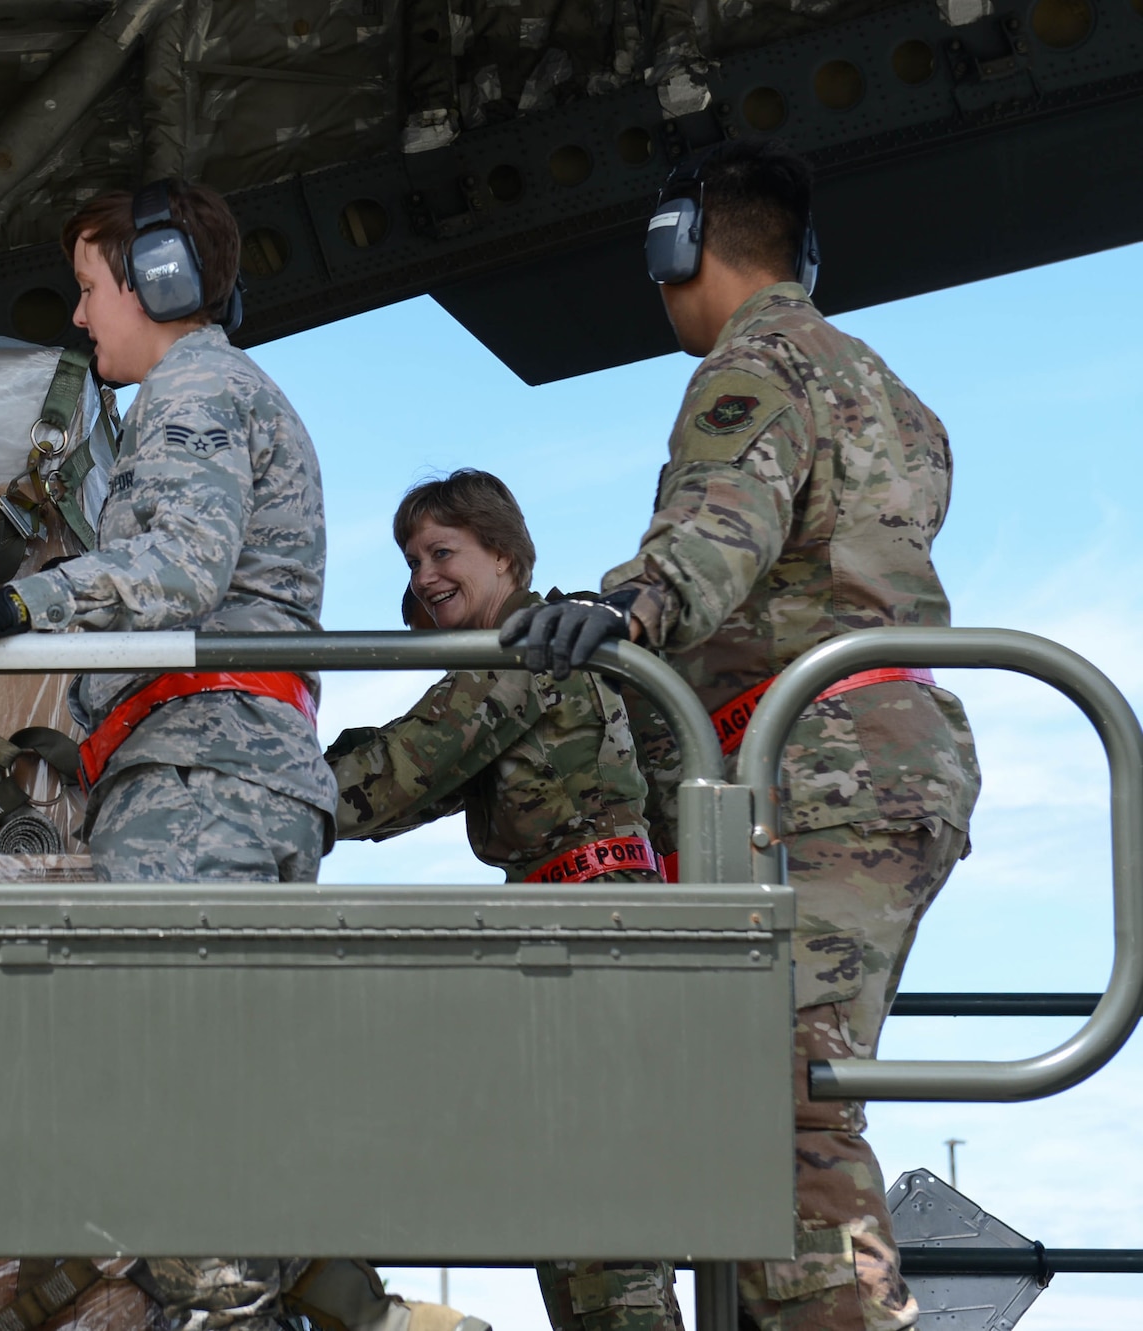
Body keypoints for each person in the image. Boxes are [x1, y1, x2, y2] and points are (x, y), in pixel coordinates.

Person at [501, 140, 980, 1331]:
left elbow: (725, 520)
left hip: (816, 766)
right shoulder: (886, 388)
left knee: (778, 1113)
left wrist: (626, 607)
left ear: (678, 248)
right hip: (886, 756)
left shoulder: (752, 366)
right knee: (788, 1096)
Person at [0, 178, 344, 1331]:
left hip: (205, 778)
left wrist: (6, 612)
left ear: (160, 280)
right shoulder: (215, 393)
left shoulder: (193, 387)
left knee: (163, 1082)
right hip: (231, 777)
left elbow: (182, 562)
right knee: (208, 1086)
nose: (83, 318)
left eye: (92, 288)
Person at [324, 469, 678, 1331]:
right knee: (578, 1217)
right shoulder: (561, 647)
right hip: (587, 933)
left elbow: (397, 776)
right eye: (412, 560)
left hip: (586, 940)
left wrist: (243, 789)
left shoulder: (527, 653)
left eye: (443, 552)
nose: (423, 576)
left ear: (507, 556)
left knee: (599, 1228)